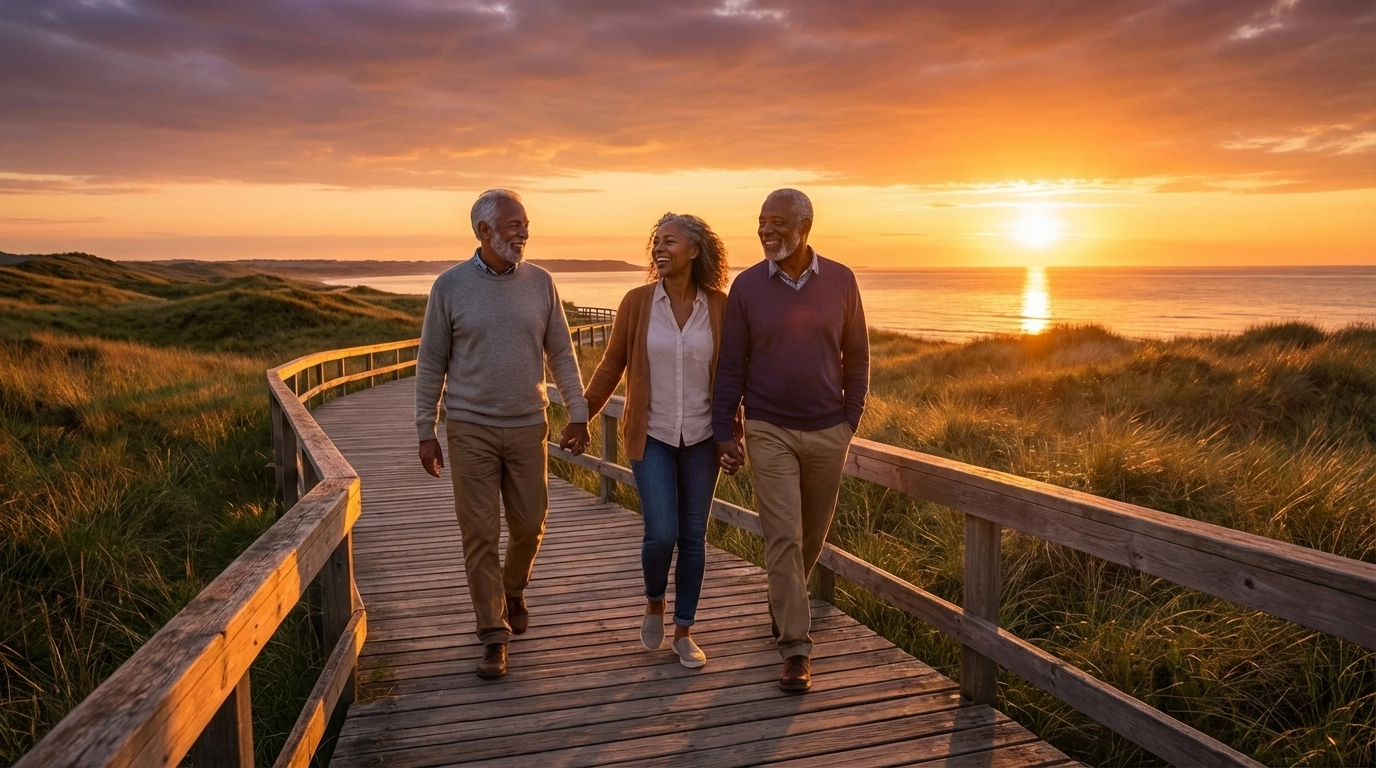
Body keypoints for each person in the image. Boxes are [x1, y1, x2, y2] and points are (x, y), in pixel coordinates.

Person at [414, 189, 590, 680]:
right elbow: (430, 362)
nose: (524, 232)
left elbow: (561, 353)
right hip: (469, 427)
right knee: (480, 534)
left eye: (525, 223)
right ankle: (493, 635)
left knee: (531, 524)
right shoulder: (449, 287)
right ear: (483, 231)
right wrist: (426, 429)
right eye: (514, 225)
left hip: (529, 424)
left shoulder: (542, 283)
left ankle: (513, 589)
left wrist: (578, 412)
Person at [712, 188, 869, 692]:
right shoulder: (747, 287)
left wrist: (849, 421)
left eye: (777, 222)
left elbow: (857, 356)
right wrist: (723, 429)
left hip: (828, 430)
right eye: (762, 221)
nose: (766, 230)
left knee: (810, 538)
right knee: (783, 535)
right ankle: (796, 649)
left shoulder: (841, 280)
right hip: (768, 428)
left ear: (805, 226)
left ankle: (783, 604)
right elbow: (731, 363)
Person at [566, 213, 735, 669]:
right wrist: (581, 418)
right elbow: (611, 365)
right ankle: (655, 600)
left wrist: (731, 433)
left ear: (695, 250)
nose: (659, 248)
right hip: (652, 435)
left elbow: (733, 376)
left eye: (670, 241)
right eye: (656, 242)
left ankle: (684, 631)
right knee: (661, 533)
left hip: (702, 438)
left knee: (693, 537)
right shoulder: (638, 303)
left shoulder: (719, 306)